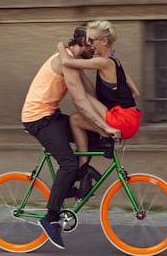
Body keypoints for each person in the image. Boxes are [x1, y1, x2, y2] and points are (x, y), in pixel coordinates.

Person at [21, 24, 120, 250]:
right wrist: (104, 125)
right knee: (67, 164)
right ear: (83, 43)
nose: (94, 49)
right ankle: (50, 217)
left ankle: (79, 175)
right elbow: (81, 102)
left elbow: (91, 95)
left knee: (93, 139)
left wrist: (106, 126)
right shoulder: (65, 62)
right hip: (37, 119)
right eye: (91, 45)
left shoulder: (73, 62)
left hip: (51, 115)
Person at [57, 20, 141, 171]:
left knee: (80, 97)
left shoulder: (103, 62)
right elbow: (136, 93)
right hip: (130, 119)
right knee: (75, 119)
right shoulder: (116, 62)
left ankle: (106, 135)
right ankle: (83, 166)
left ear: (104, 41)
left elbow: (66, 62)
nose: (90, 44)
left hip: (121, 121)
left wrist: (60, 46)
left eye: (92, 40)